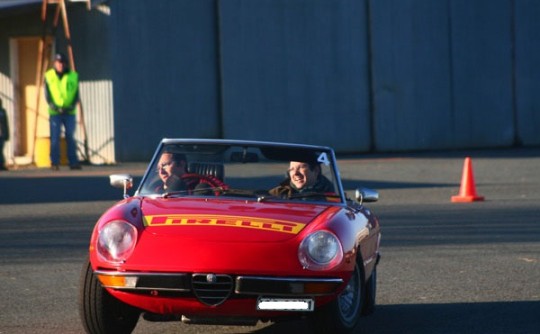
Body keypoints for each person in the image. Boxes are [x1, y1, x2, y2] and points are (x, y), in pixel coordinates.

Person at [44, 52, 81, 170]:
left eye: (62, 63)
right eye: (58, 62)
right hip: (55, 113)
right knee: (55, 137)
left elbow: (76, 94)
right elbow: (47, 94)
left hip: (69, 112)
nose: (61, 65)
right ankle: (54, 162)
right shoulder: (49, 76)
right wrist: (54, 106)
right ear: (55, 63)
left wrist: (71, 105)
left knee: (70, 136)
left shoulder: (73, 76)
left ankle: (73, 162)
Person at [269, 160, 335, 198]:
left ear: (316, 170)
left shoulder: (333, 196)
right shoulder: (277, 193)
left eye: (301, 167)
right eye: (292, 169)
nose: (295, 173)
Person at [0, 99, 9, 171]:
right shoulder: (3, 112)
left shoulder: (2, 112)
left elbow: (5, 124)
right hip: (2, 133)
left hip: (2, 134)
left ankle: (2, 164)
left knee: (0, 150)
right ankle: (2, 164)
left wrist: (7, 134)